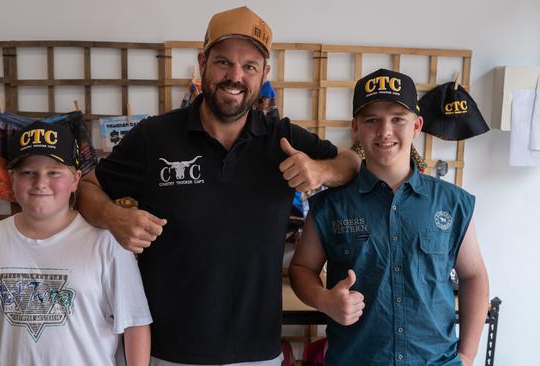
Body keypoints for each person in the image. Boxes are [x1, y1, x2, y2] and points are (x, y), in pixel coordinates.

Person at [76, 6, 360, 366]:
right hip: (166, 351)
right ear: (202, 62)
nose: (235, 76)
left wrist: (319, 171)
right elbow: (87, 188)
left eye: (249, 67)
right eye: (224, 62)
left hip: (258, 352)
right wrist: (112, 216)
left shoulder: (282, 137)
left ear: (264, 74)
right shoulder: (154, 137)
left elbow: (350, 163)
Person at [289, 68, 489, 366]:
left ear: (417, 126)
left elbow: (473, 275)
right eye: (372, 120)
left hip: (435, 361)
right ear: (355, 127)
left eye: (398, 119)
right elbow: (302, 268)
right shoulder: (328, 206)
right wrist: (323, 300)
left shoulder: (452, 202)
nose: (385, 131)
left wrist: (468, 356)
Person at [0, 121, 152, 366]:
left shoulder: (108, 244)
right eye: (28, 172)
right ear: (12, 180)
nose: (40, 183)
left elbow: (134, 324)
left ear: (76, 179)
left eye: (54, 172)